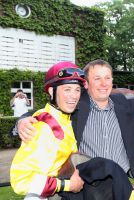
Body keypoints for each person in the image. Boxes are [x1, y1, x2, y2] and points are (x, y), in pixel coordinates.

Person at [15, 59, 134, 199]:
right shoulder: (76, 105)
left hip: (120, 183)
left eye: (107, 78)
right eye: (97, 78)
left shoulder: (123, 105)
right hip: (88, 185)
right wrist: (21, 122)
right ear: (86, 84)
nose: (104, 84)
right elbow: (49, 110)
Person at [10, 62, 85, 199]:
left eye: (77, 89)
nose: (74, 96)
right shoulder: (44, 126)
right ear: (51, 91)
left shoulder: (64, 119)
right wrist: (67, 185)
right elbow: (21, 180)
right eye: (67, 89)